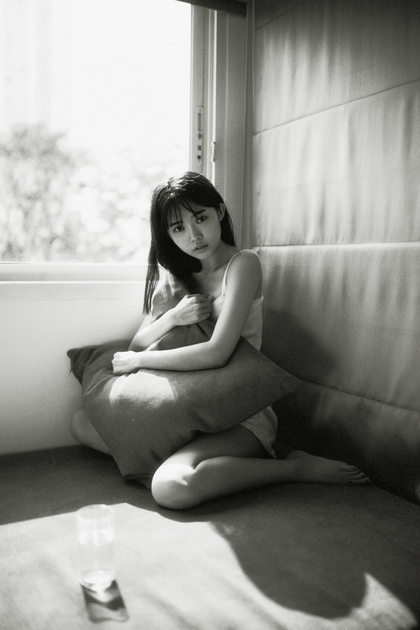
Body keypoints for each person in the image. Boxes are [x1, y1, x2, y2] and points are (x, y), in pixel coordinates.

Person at [71, 172, 369, 510]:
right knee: (80, 423)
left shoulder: (243, 264)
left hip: (237, 413)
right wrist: (174, 317)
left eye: (201, 218)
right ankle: (177, 458)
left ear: (220, 212)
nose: (194, 236)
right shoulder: (177, 277)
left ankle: (292, 467)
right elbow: (138, 343)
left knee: (170, 488)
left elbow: (217, 353)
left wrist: (140, 362)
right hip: (185, 410)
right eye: (178, 228)